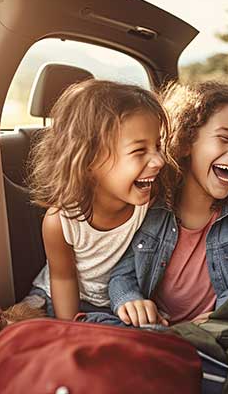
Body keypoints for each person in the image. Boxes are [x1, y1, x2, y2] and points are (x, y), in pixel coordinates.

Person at [108, 82, 228, 327]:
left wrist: (222, 317)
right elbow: (121, 275)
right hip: (151, 331)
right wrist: (129, 300)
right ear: (187, 141)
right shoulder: (149, 203)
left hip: (211, 338)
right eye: (224, 138)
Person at [26, 79, 167, 319]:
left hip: (114, 303)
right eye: (139, 151)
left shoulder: (151, 201)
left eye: (158, 146)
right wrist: (69, 329)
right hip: (55, 298)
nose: (159, 161)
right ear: (89, 160)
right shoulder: (61, 222)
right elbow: (63, 279)